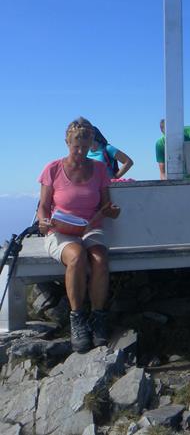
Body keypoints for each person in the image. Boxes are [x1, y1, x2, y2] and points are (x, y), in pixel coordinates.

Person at [37, 117, 121, 353]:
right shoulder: (53, 169)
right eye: (77, 146)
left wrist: (111, 212)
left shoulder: (100, 169)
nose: (82, 150)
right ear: (67, 142)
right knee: (76, 256)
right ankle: (78, 319)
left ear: (92, 142)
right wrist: (43, 222)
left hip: (90, 227)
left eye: (86, 145)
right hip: (60, 230)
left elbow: (106, 205)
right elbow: (44, 205)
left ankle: (98, 318)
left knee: (99, 259)